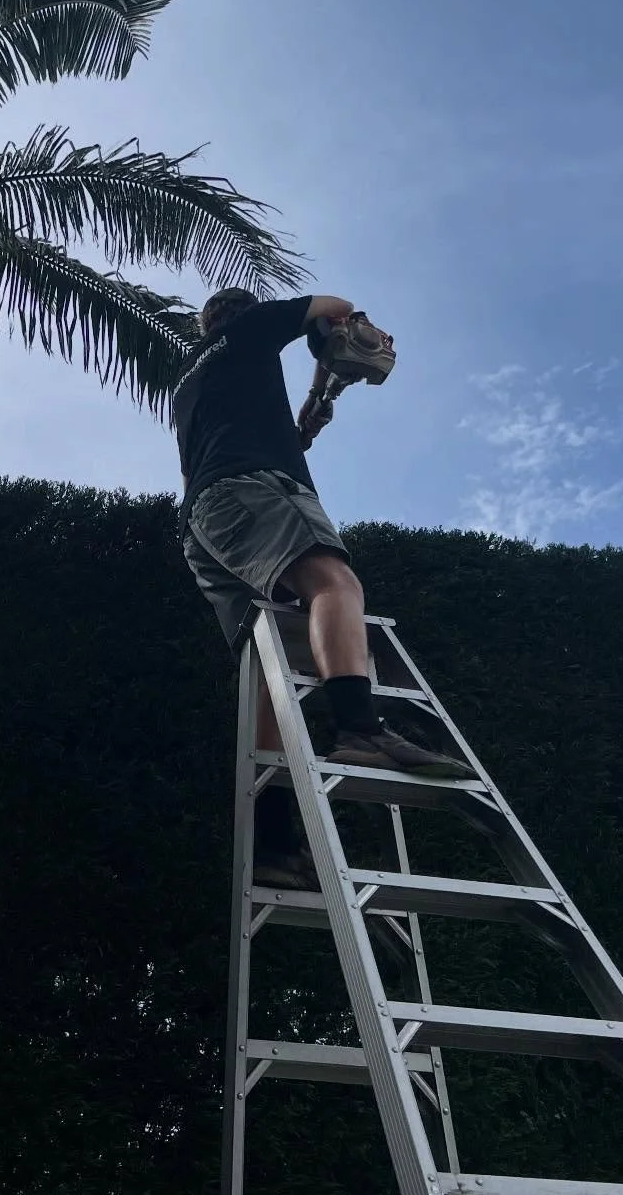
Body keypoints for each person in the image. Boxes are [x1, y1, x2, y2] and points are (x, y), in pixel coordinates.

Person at [172, 287, 470, 888]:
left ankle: (274, 845)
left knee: (268, 675)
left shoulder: (193, 383)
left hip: (205, 523)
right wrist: (353, 333)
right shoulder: (250, 331)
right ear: (246, 315)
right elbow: (332, 305)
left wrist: (314, 404)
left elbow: (251, 429)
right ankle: (360, 727)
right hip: (255, 489)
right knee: (334, 582)